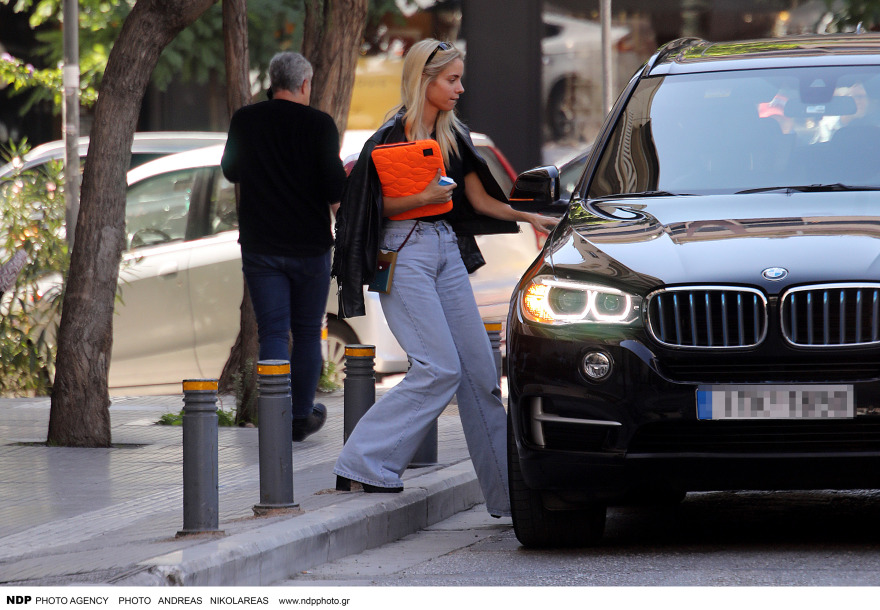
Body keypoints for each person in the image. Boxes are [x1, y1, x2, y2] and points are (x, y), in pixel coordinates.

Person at [331, 39, 557, 516]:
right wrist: (423, 197)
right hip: (403, 249)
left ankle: (509, 497)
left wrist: (531, 217)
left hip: (445, 252)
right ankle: (363, 462)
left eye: (460, 78)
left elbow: (481, 203)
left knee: (479, 374)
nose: (460, 88)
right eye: (451, 79)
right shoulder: (391, 137)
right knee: (438, 367)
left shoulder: (454, 137)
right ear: (425, 80)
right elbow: (366, 209)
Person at [221, 51, 346, 442]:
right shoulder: (320, 125)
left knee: (273, 331)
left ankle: (274, 415)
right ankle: (300, 417)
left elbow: (230, 170)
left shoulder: (246, 119)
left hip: (261, 245)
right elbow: (333, 188)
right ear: (305, 84)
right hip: (310, 246)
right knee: (308, 332)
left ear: (273, 82)